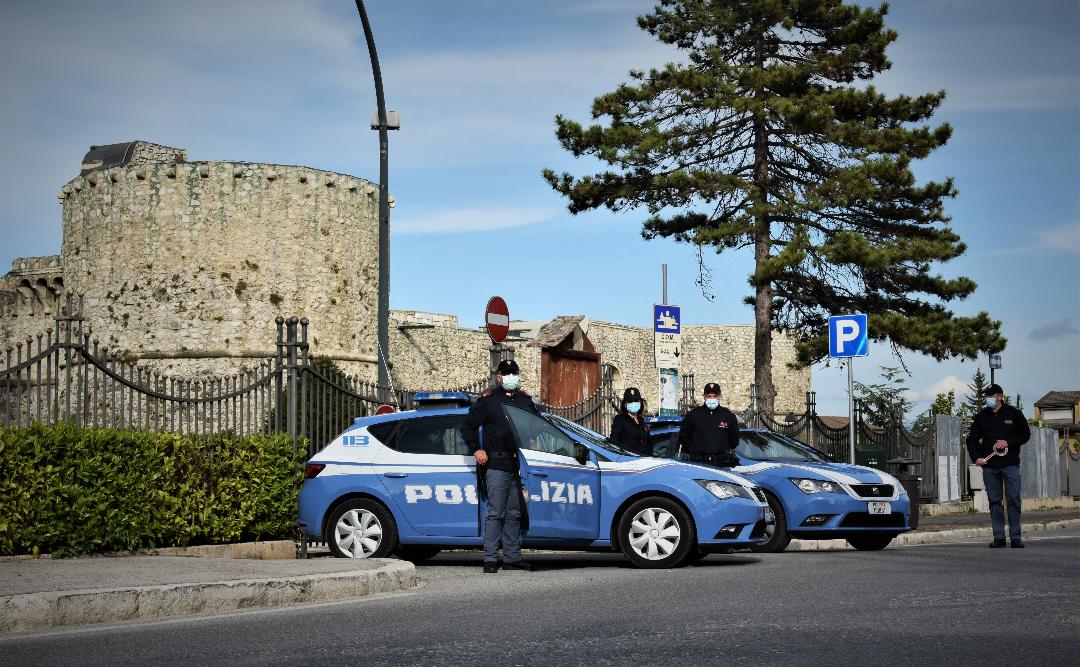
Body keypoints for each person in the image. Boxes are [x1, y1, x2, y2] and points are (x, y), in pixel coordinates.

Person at [461, 359, 541, 573]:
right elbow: (467, 427)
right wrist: (476, 449)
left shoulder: (524, 401)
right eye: (507, 373)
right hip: (495, 463)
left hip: (517, 464)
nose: (511, 377)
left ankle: (512, 558)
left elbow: (537, 423)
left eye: (514, 373)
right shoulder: (488, 401)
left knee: (514, 513)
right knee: (496, 513)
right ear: (499, 377)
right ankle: (490, 559)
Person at [966, 383, 1031, 548]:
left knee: (1014, 500)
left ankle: (1016, 537)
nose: (989, 399)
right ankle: (999, 537)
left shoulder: (1014, 414)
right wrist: (977, 458)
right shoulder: (981, 417)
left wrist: (1008, 441)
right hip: (990, 467)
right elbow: (971, 440)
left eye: (992, 395)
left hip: (1010, 465)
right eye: (987, 396)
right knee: (995, 501)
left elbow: (1025, 434)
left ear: (1000, 396)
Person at [677, 382, 740, 466]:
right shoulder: (693, 415)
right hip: (698, 463)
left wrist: (723, 450)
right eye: (709, 396)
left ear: (720, 397)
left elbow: (734, 439)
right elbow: (683, 436)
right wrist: (694, 450)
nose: (712, 398)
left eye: (714, 396)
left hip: (722, 464)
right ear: (704, 397)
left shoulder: (728, 415)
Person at [610, 387, 650, 455]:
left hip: (643, 460)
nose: (633, 404)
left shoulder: (642, 420)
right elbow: (614, 442)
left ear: (640, 403)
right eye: (630, 402)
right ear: (625, 404)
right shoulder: (620, 420)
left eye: (636, 401)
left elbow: (648, 442)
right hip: (627, 460)